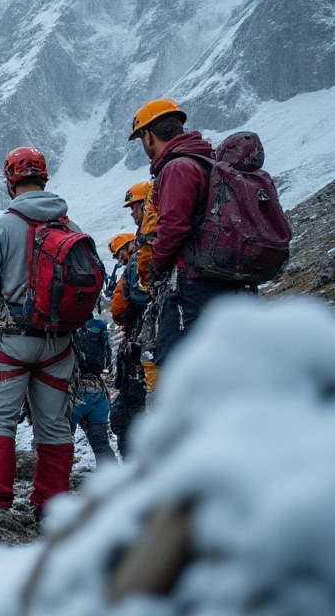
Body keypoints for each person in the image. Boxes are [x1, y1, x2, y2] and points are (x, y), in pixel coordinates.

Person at [0, 148, 84, 514]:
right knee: (53, 425)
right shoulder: (71, 227)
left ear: (10, 181)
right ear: (44, 177)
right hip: (59, 343)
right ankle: (51, 505)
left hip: (11, 341)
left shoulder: (2, 227)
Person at [130, 99, 259, 371]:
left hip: (195, 287)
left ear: (148, 136)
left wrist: (156, 267)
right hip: (226, 279)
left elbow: (174, 226)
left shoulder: (177, 167)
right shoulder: (207, 161)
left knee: (179, 364)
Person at [107, 231, 147, 458]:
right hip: (145, 337)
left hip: (136, 340)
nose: (118, 259)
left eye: (118, 254)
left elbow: (119, 309)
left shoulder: (134, 266)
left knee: (126, 410)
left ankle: (133, 462)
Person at [124, 180, 161, 391]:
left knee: (152, 355)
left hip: (162, 299)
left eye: (134, 207)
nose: (132, 214)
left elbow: (145, 268)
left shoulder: (151, 223)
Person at [70, 319, 116, 462]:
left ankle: (57, 482)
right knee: (101, 443)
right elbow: (108, 359)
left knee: (60, 442)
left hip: (73, 394)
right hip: (98, 394)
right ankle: (111, 478)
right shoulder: (100, 327)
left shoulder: (69, 327)